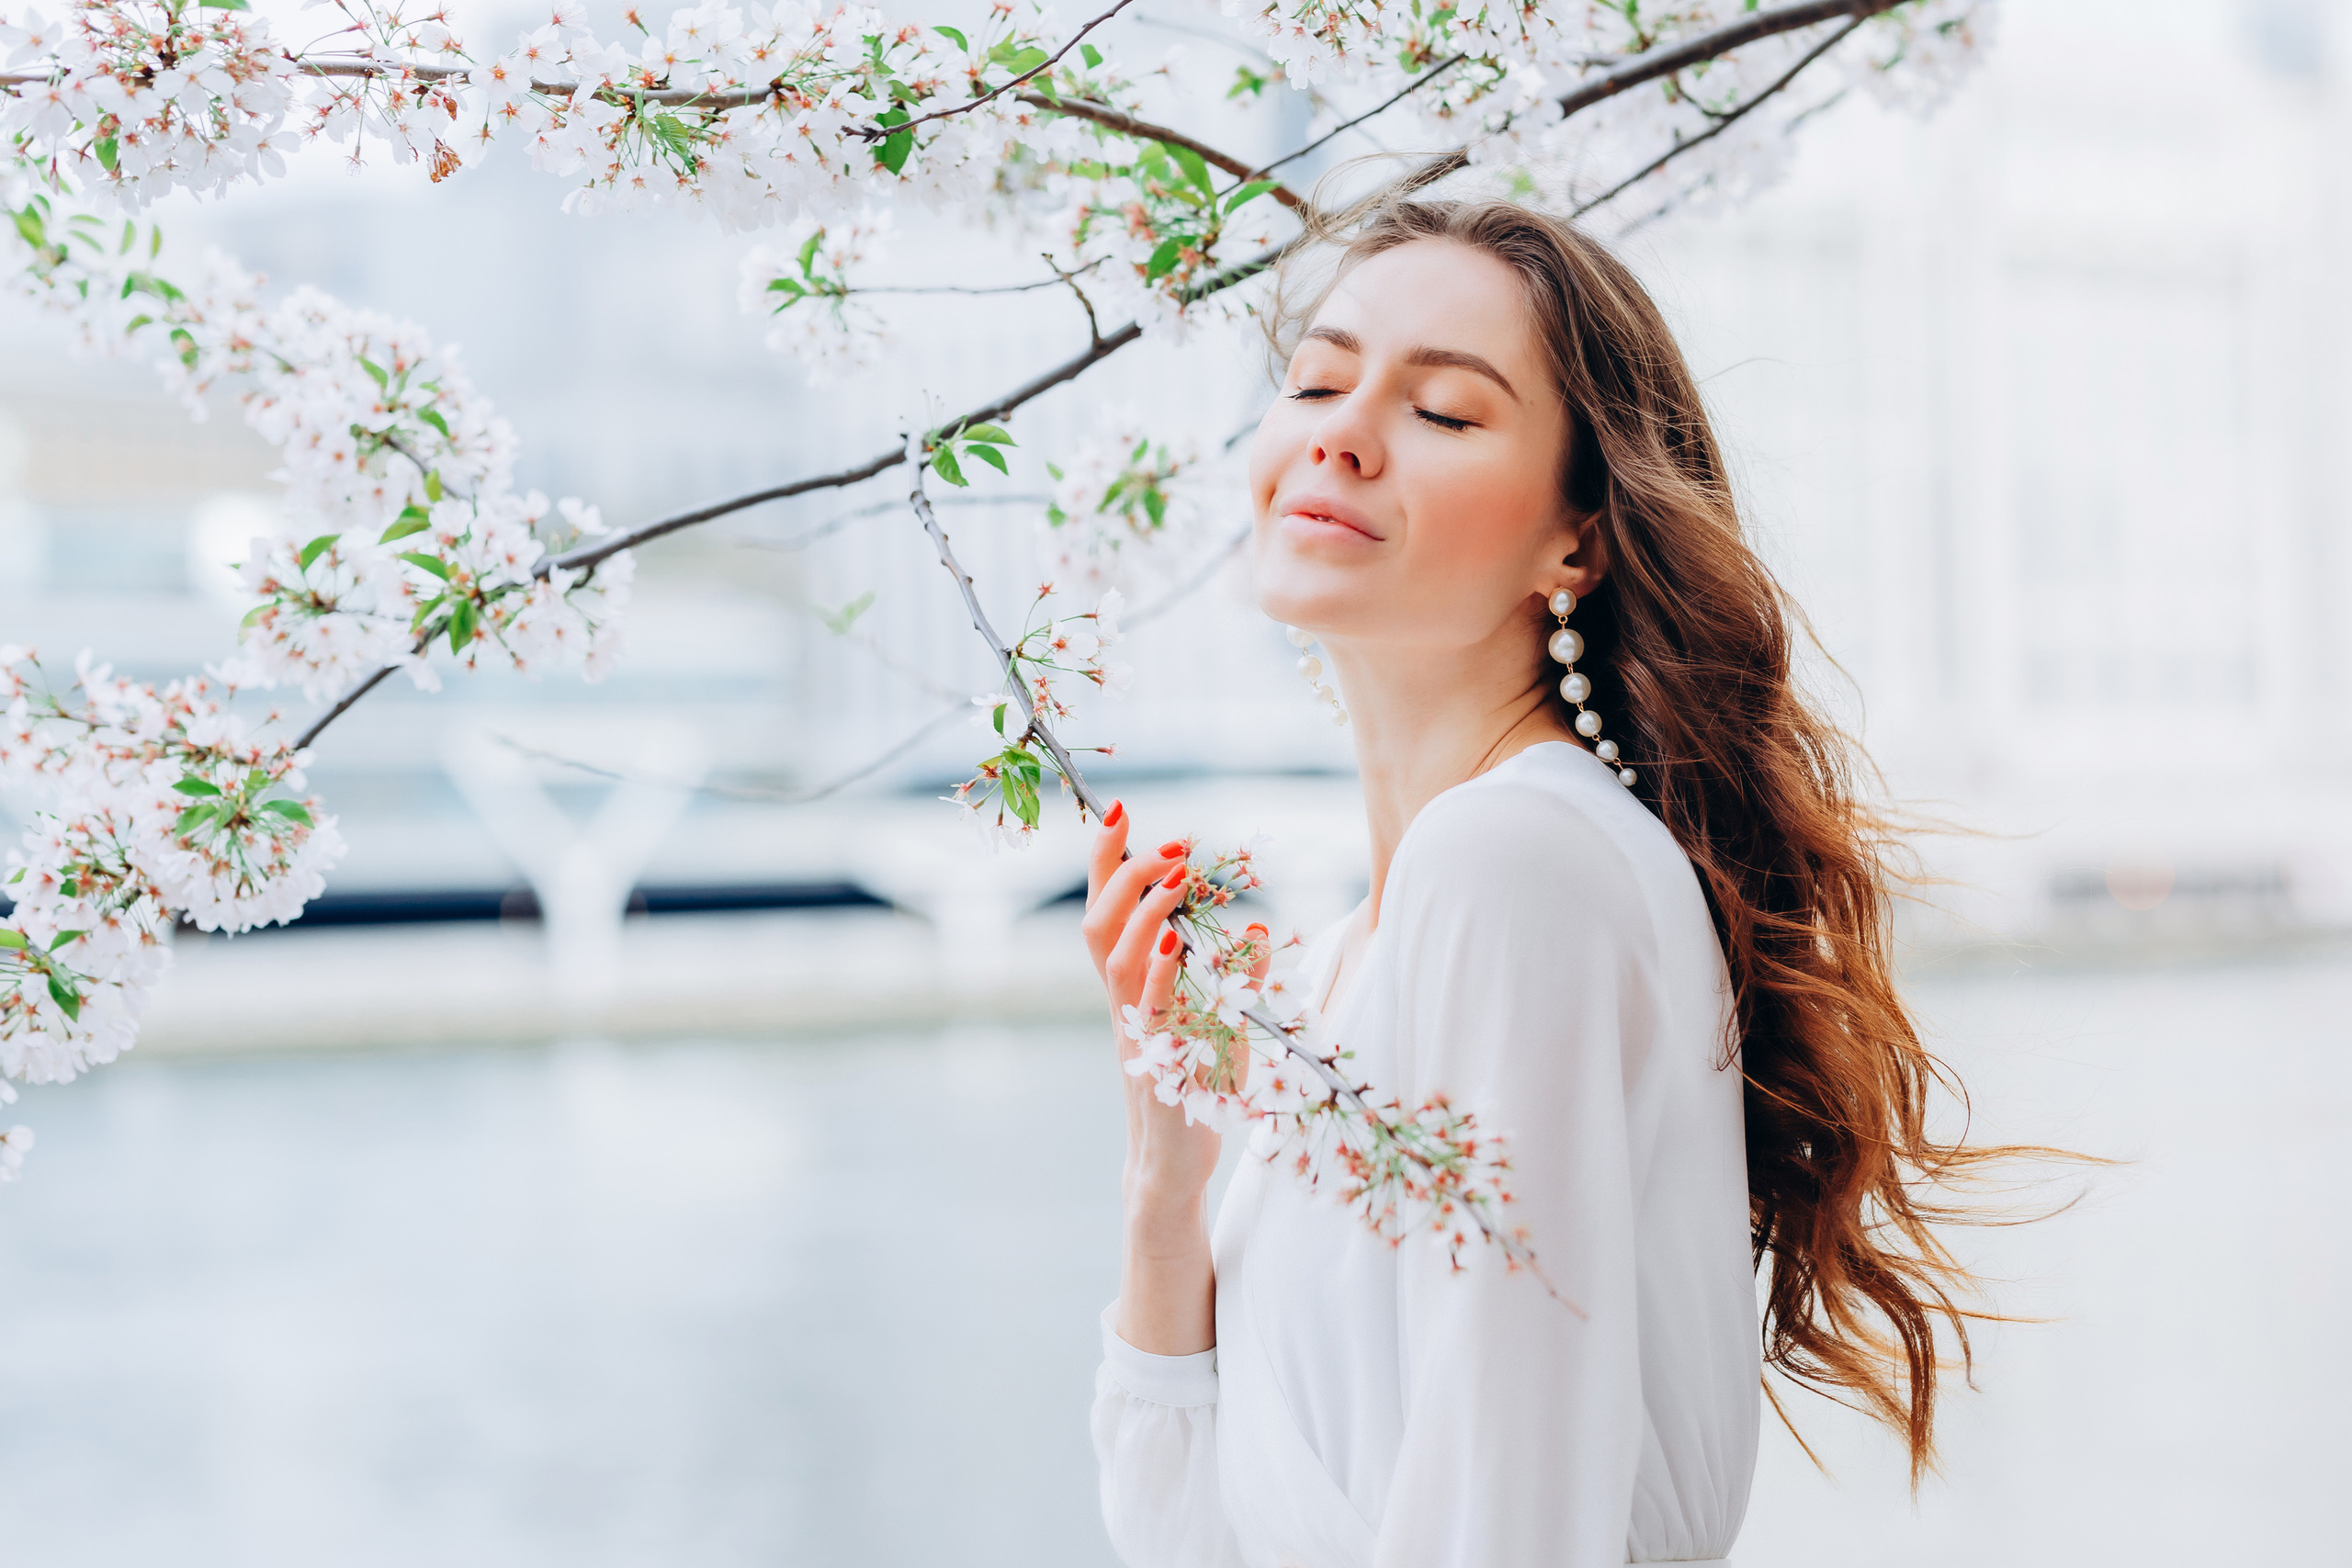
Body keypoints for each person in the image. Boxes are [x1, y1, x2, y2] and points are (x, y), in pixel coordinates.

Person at [1079, 197, 2008, 1567]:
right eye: (1318, 381)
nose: (1340, 430)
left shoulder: (1514, 868)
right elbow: (1187, 1540)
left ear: (1574, 541)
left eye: (1443, 412)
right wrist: (1169, 1180)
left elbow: (1512, 1533)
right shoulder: (1356, 952)